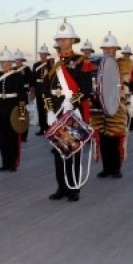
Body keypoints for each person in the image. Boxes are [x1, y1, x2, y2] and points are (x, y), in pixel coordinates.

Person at [43, 19, 92, 202]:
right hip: (56, 112)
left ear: (72, 40)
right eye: (60, 39)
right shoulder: (51, 62)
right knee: (58, 150)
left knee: (73, 148)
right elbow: (44, 90)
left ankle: (74, 188)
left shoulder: (81, 61)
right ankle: (61, 187)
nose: (62, 42)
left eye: (65, 39)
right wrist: (49, 110)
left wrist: (73, 102)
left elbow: (87, 89)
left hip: (72, 111)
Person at [92, 32, 133, 179]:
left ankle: (116, 168)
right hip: (100, 107)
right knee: (103, 138)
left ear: (116, 49)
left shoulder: (127, 65)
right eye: (105, 49)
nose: (107, 51)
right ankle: (106, 168)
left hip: (119, 106)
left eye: (110, 48)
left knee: (116, 138)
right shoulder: (95, 64)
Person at [0, 47, 27, 172]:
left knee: (13, 137)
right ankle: (5, 162)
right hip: (1, 109)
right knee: (2, 138)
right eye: (1, 62)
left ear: (10, 62)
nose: (3, 64)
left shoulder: (17, 76)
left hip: (13, 109)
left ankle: (13, 163)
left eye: (5, 62)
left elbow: (22, 96)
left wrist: (22, 113)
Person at [31, 44, 53, 136]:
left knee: (47, 109)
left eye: (44, 54)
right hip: (39, 88)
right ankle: (42, 128)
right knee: (40, 109)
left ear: (46, 54)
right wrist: (32, 89)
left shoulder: (50, 64)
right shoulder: (36, 65)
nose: (42, 55)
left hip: (47, 88)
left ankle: (49, 127)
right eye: (41, 53)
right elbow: (33, 78)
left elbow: (52, 77)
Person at [13, 48, 32, 142]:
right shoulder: (12, 70)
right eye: (16, 60)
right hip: (14, 95)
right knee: (15, 114)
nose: (17, 61)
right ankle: (17, 132)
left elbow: (31, 81)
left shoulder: (26, 69)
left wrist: (31, 92)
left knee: (22, 114)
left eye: (19, 60)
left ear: (22, 60)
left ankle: (24, 135)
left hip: (23, 94)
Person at [121, 44, 133, 130]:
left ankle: (131, 125)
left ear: (130, 54)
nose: (126, 55)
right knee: (122, 107)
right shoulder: (119, 64)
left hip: (131, 87)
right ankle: (124, 124)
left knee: (131, 107)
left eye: (127, 54)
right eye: (125, 54)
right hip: (122, 88)